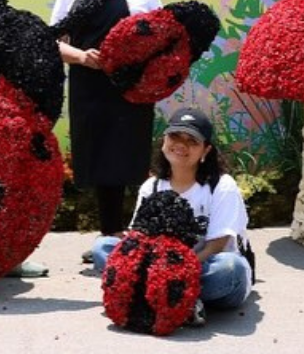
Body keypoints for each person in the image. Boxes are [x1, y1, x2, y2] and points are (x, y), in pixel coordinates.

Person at [50, 0, 162, 256]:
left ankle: (140, 234)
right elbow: (52, 42)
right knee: (100, 160)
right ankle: (111, 235)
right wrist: (82, 57)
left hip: (131, 87)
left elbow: (162, 34)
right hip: (89, 87)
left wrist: (138, 58)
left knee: (131, 156)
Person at [91, 108, 252, 325]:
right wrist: (156, 271)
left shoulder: (221, 186)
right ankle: (179, 301)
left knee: (231, 268)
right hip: (159, 269)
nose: (181, 145)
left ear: (206, 150)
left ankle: (165, 298)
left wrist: (175, 273)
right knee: (103, 247)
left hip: (204, 267)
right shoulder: (152, 187)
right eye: (175, 136)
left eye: (192, 141)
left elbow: (217, 246)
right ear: (164, 141)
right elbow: (138, 238)